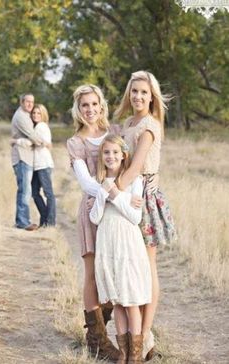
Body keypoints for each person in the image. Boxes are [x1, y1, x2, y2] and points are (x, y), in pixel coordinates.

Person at [113, 70, 176, 360]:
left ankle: (145, 335)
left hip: (143, 199)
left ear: (152, 97)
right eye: (134, 91)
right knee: (130, 265)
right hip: (127, 195)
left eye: (144, 92)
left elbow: (136, 166)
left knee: (148, 266)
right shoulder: (127, 123)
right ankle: (131, 332)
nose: (138, 96)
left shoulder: (150, 126)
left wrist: (110, 192)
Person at [66, 85, 120, 361]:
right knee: (91, 272)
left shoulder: (114, 134)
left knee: (112, 270)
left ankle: (107, 329)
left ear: (101, 106)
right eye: (84, 105)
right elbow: (87, 183)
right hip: (92, 210)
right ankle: (97, 339)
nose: (89, 110)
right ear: (79, 109)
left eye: (94, 104)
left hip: (117, 211)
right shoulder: (76, 142)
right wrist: (111, 190)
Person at [90, 134, 152, 364]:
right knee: (116, 301)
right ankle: (123, 351)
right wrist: (103, 194)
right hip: (108, 245)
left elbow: (135, 216)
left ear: (124, 154)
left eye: (115, 152)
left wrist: (115, 195)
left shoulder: (134, 182)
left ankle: (135, 354)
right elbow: (95, 217)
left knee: (131, 299)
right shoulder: (101, 182)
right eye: (106, 152)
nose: (111, 156)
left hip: (127, 245)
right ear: (102, 156)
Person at [11, 93, 43, 231]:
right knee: (25, 190)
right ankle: (23, 222)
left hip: (26, 157)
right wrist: (40, 141)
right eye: (27, 102)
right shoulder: (21, 117)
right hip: (22, 157)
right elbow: (34, 137)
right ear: (21, 102)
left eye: (32, 102)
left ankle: (21, 220)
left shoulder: (26, 116)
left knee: (24, 190)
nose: (30, 104)